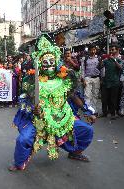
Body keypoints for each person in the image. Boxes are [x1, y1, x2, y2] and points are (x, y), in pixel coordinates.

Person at [8, 35, 94, 171]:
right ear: (39, 63)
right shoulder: (31, 80)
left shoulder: (64, 79)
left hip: (63, 117)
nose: (49, 65)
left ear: (56, 61)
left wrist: (86, 110)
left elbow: (73, 95)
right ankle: (19, 162)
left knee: (87, 130)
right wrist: (32, 109)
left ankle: (75, 152)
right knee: (23, 140)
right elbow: (23, 100)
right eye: (45, 62)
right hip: (39, 119)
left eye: (52, 61)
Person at [100, 44, 123, 120]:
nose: (111, 51)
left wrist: (114, 60)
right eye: (111, 50)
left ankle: (113, 113)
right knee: (104, 98)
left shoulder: (119, 59)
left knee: (113, 99)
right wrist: (101, 60)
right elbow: (99, 67)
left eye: (113, 49)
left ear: (117, 50)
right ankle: (104, 113)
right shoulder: (106, 60)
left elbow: (121, 68)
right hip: (106, 82)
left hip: (115, 82)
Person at [81, 45, 101, 114]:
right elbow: (82, 69)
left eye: (94, 50)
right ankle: (88, 110)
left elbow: (101, 68)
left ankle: (94, 110)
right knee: (87, 94)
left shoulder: (99, 58)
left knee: (95, 94)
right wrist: (83, 79)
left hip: (96, 78)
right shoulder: (84, 58)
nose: (93, 51)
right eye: (91, 50)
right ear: (89, 50)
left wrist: (101, 78)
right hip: (87, 78)